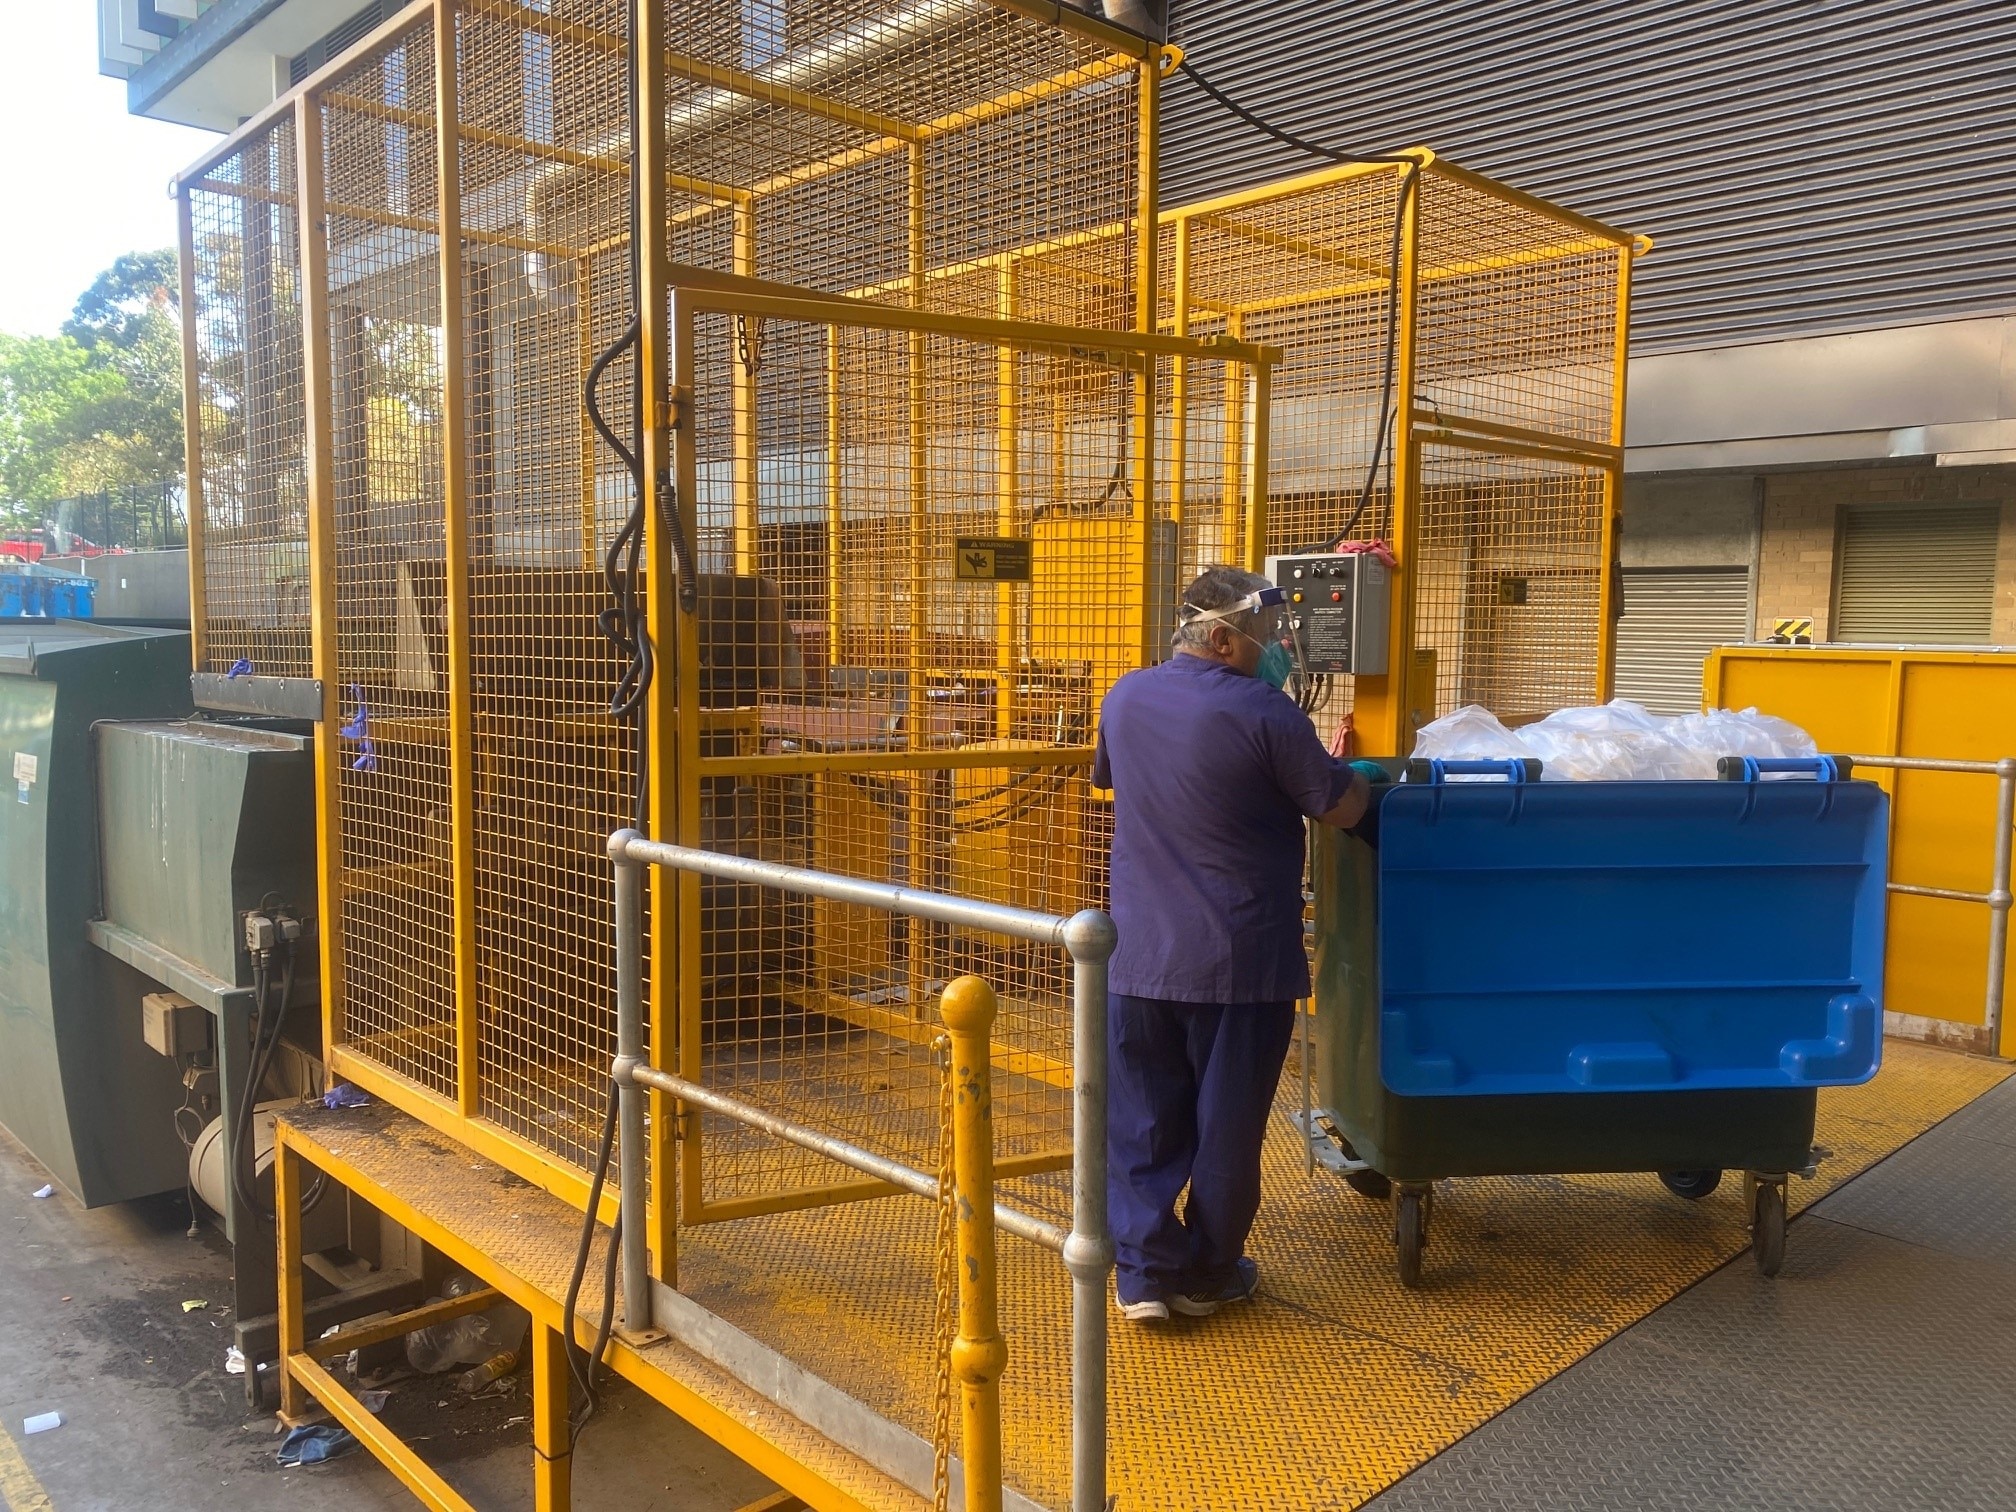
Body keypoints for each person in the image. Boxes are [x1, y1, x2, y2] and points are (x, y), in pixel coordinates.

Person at [1091, 565, 1377, 1321]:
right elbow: (1344, 807)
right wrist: (1378, 792)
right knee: (1225, 1129)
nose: (1279, 648)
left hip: (1138, 958)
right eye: (1267, 634)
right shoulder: (1266, 713)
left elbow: (1115, 779)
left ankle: (1145, 1276)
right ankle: (1211, 1273)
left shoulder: (1124, 696)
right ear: (1221, 637)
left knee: (1143, 1120)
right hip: (1237, 962)